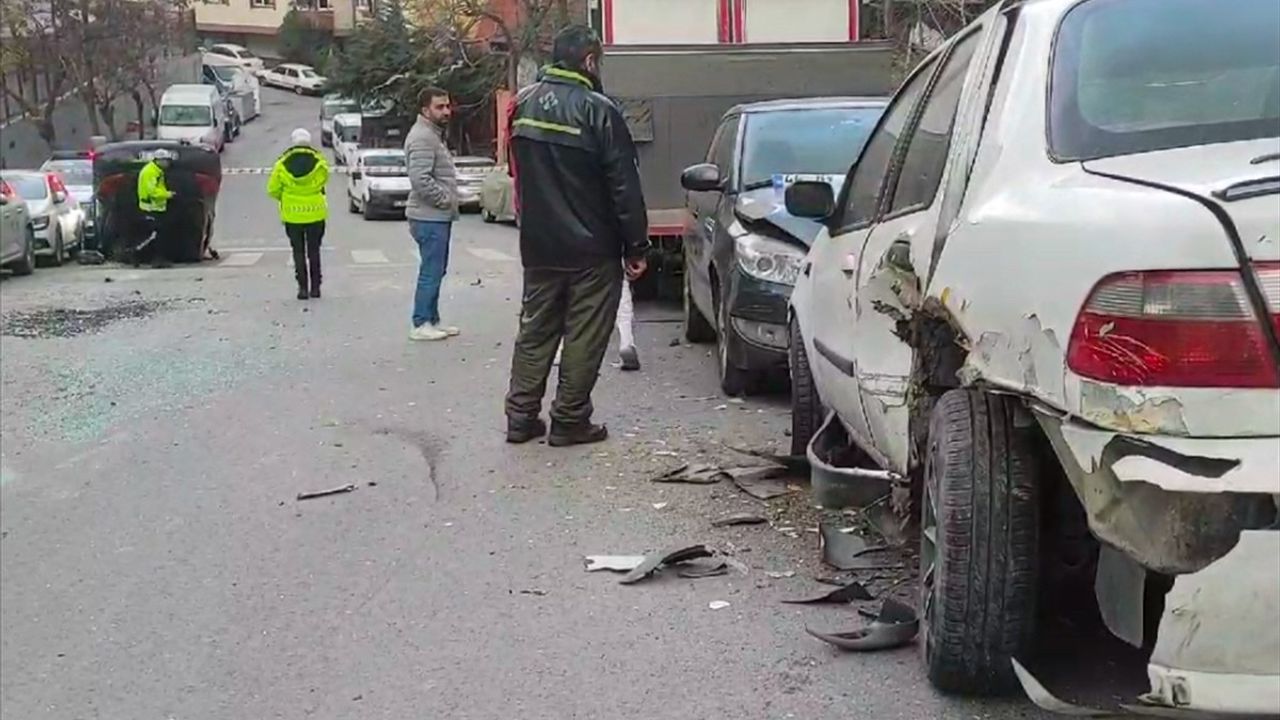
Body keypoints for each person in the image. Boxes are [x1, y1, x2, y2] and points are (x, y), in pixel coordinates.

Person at [504, 25, 649, 447]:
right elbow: (624, 185)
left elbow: (516, 174)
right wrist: (635, 246)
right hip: (592, 248)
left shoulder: (524, 105)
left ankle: (520, 416)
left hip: (539, 245)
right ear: (588, 61)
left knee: (535, 331)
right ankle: (569, 419)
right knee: (585, 335)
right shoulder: (599, 110)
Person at [405, 87, 459, 341]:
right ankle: (421, 322)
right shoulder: (423, 137)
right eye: (440, 107)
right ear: (425, 110)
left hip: (435, 216)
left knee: (437, 269)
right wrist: (445, 200)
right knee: (431, 270)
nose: (447, 111)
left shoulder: (433, 135)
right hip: (428, 216)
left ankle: (432, 320)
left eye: (448, 106)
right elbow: (420, 179)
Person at [267, 128, 329, 300]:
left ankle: (302, 288)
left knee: (298, 251)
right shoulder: (320, 162)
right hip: (316, 213)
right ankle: (316, 288)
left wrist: (286, 197)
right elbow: (324, 180)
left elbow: (272, 189)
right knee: (314, 251)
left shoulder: (281, 164)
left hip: (292, 215)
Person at [136, 148, 177, 268]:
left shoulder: (157, 170)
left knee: (159, 234)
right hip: (151, 208)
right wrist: (168, 194)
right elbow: (152, 191)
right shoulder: (151, 172)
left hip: (157, 207)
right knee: (157, 235)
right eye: (166, 160)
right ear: (158, 160)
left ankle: (156, 258)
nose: (168, 163)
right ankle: (150, 258)